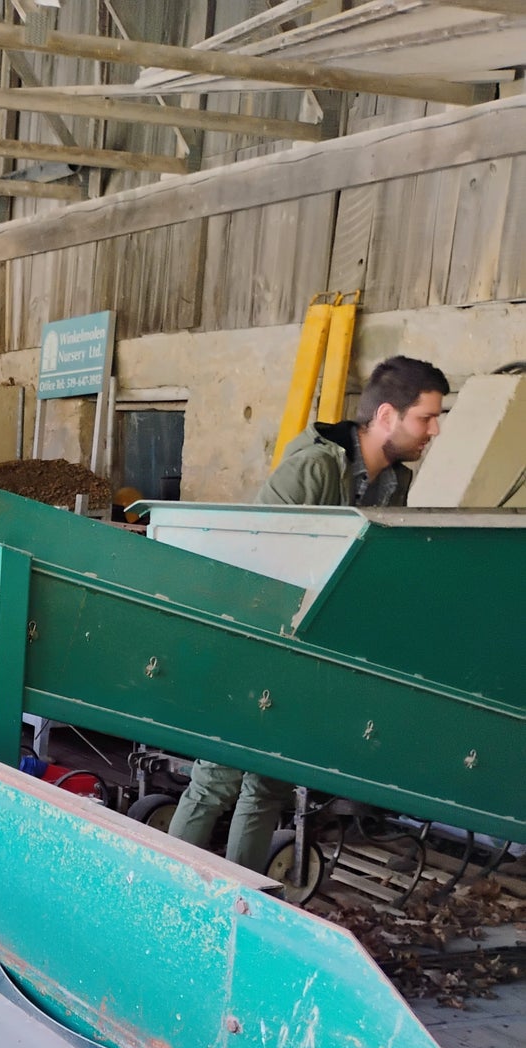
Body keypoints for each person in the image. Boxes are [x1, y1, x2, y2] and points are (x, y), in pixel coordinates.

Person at [168, 355, 449, 871]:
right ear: (387, 415)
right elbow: (253, 562)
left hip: (307, 650)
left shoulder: (394, 485)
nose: (433, 429)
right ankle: (166, 896)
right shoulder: (315, 467)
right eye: (426, 417)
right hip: (257, 640)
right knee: (216, 782)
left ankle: (245, 907)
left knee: (268, 786)